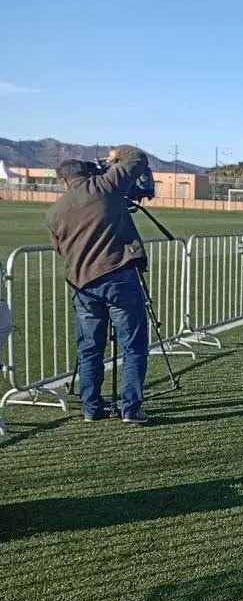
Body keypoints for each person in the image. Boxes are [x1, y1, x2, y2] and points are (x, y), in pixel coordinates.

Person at [46, 147, 153, 424]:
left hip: (82, 285)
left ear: (64, 181)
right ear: (85, 173)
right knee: (133, 345)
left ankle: (91, 407)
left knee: (90, 348)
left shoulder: (55, 212)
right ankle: (130, 409)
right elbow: (137, 159)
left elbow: (60, 250)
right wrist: (119, 153)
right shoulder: (105, 186)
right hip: (118, 276)